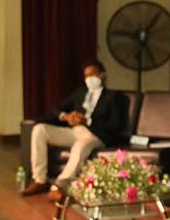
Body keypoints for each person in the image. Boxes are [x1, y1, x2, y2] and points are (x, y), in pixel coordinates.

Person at [23, 59, 129, 201]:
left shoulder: (114, 97)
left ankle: (59, 186)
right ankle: (39, 180)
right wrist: (66, 116)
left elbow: (115, 125)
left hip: (96, 135)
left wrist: (88, 121)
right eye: (86, 76)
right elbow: (55, 108)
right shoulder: (80, 93)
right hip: (75, 131)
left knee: (80, 146)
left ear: (103, 75)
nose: (89, 79)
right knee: (39, 129)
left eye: (93, 75)